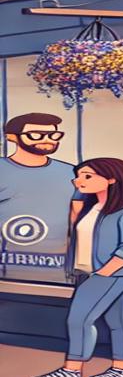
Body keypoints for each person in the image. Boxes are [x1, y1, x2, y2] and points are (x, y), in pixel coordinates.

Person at [29, 157, 123, 377]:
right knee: (119, 321)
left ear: (112, 178)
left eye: (87, 176)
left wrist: (105, 272)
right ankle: (121, 370)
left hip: (112, 273)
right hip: (89, 272)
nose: (78, 181)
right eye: (78, 176)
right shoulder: (92, 207)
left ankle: (72, 370)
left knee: (79, 319)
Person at [1, 113, 85, 281]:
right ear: (12, 137)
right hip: (6, 278)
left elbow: (80, 221)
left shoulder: (73, 174)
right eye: (36, 135)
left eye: (53, 135)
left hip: (58, 277)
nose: (47, 140)